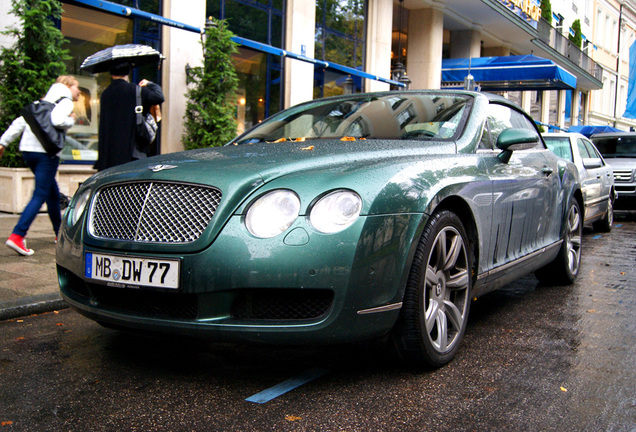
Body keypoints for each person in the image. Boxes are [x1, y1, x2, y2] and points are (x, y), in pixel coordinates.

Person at [0, 76, 81, 256]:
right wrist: (72, 119)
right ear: (67, 86)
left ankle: (59, 233)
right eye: (77, 87)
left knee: (52, 193)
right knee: (41, 193)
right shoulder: (65, 101)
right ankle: (17, 235)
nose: (79, 91)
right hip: (46, 154)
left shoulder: (41, 102)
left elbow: (19, 123)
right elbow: (58, 121)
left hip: (28, 152)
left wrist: (3, 142)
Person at [94, 61, 165, 171]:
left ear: (111, 73)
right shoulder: (136, 91)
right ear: (128, 72)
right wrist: (149, 83)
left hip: (110, 155)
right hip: (131, 153)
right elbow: (159, 97)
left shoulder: (105, 94)